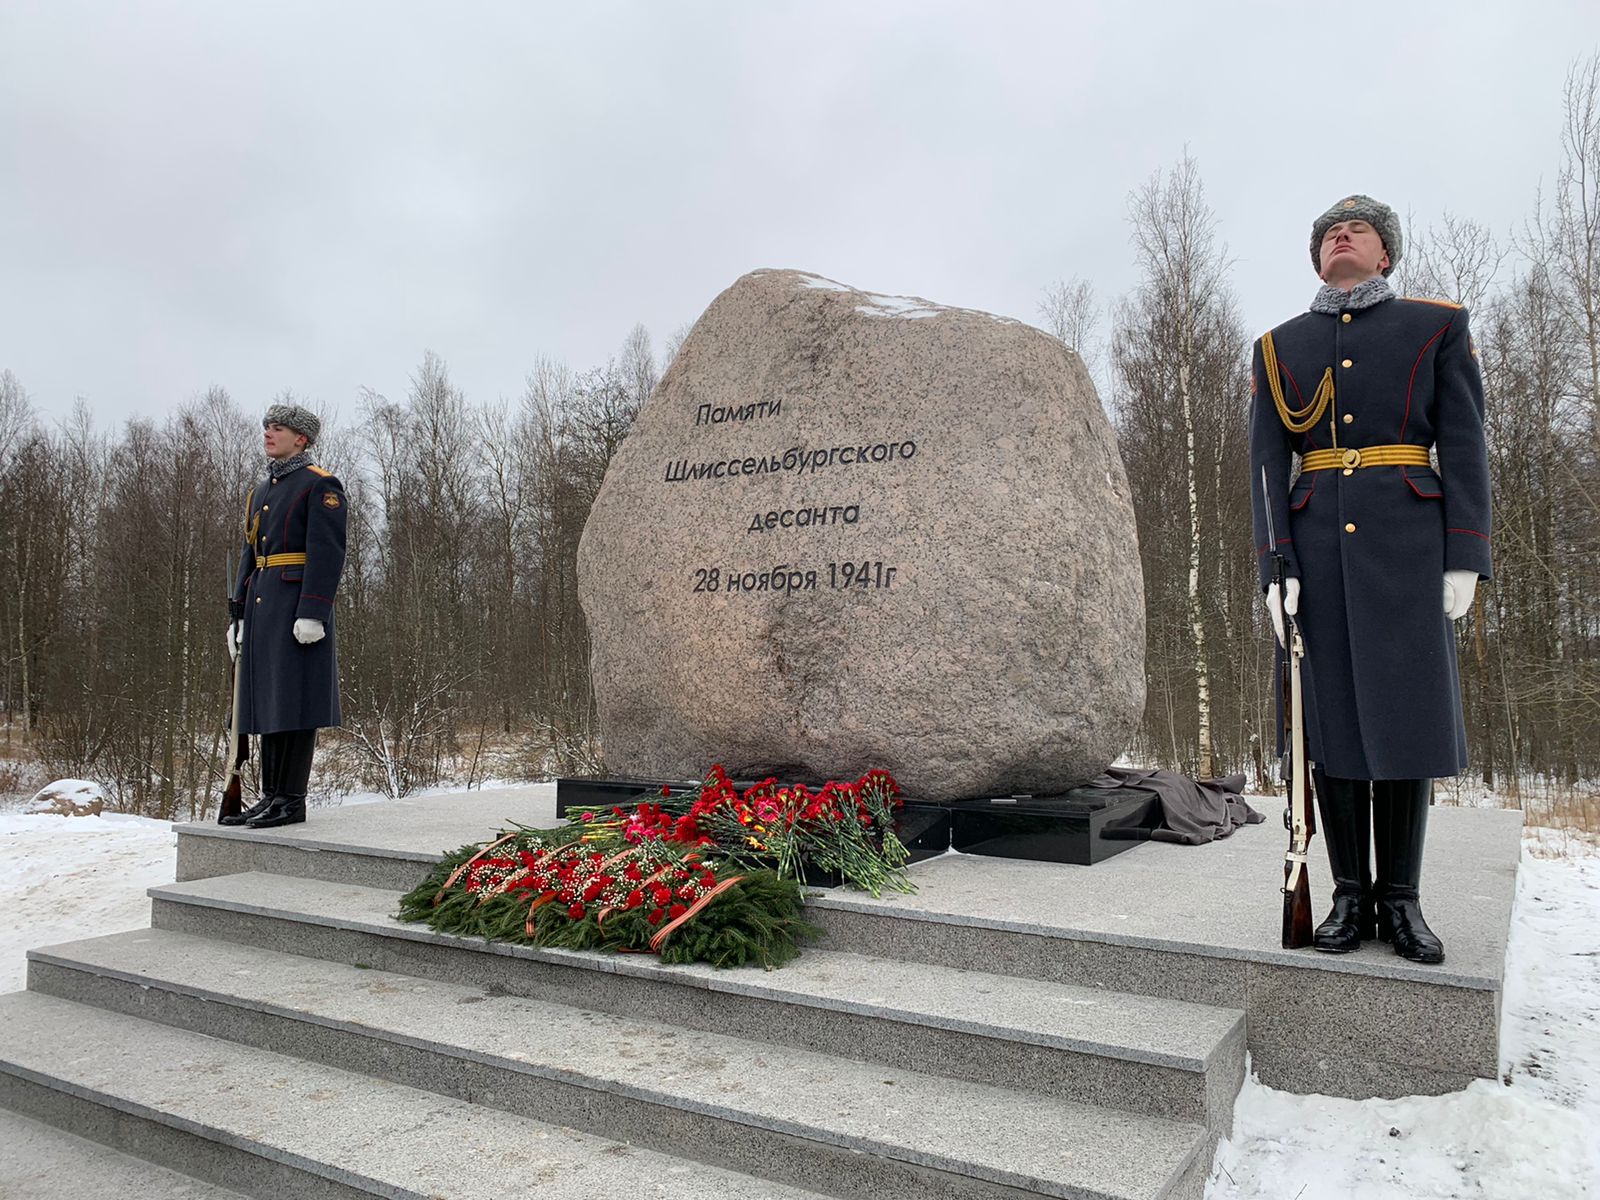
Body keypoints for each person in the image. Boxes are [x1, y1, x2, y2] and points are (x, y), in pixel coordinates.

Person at [1248, 195, 1492, 965]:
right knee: (1336, 726)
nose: (1338, 237)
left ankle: (1403, 900)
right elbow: (1264, 466)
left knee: (1409, 720)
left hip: (1410, 548)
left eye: (1356, 230)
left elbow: (1464, 442)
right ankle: (1350, 895)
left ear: (1386, 253)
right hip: (1318, 553)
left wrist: (1465, 555)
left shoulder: (1435, 326)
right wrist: (1274, 565)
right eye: (1326, 233)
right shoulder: (1278, 346)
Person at [221, 403, 347, 829]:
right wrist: (237, 614)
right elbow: (250, 555)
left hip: (296, 608)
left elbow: (327, 555)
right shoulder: (261, 491)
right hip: (262, 607)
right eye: (266, 427)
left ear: (302, 439)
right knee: (270, 703)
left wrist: (313, 611)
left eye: (278, 428)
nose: (268, 433)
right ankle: (272, 795)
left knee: (295, 703)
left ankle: (291, 799)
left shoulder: (319, 485)